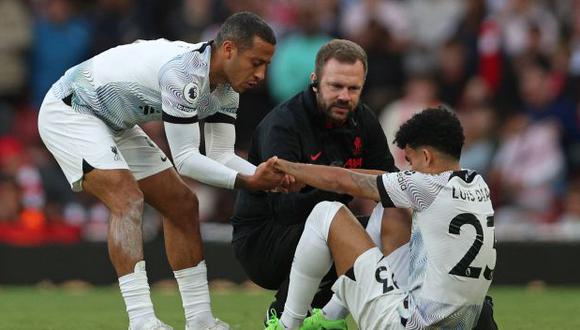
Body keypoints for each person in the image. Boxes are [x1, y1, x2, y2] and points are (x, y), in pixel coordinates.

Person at [38, 12, 283, 330]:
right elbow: (186, 160)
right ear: (228, 50)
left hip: (115, 121)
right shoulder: (184, 73)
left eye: (266, 65)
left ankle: (200, 319)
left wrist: (263, 176)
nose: (261, 75)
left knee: (182, 203)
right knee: (127, 199)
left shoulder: (226, 88)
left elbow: (221, 156)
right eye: (256, 62)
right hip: (71, 108)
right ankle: (141, 321)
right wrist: (250, 180)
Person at [266, 107, 497, 329]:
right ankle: (329, 318)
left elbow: (341, 181)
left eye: (410, 161)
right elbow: (385, 179)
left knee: (325, 213)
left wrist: (290, 167)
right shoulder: (477, 184)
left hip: (407, 325)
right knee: (390, 207)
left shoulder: (427, 186)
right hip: (456, 322)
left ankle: (288, 324)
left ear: (426, 157)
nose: (409, 169)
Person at [230, 38, 398, 323]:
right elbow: (283, 209)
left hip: (317, 227)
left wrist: (339, 183)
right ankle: (284, 315)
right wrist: (338, 184)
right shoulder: (284, 124)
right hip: (264, 240)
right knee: (334, 222)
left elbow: (392, 186)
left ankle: (329, 317)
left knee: (395, 221)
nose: (344, 96)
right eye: (335, 86)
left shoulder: (364, 121)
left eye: (353, 88)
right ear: (315, 81)